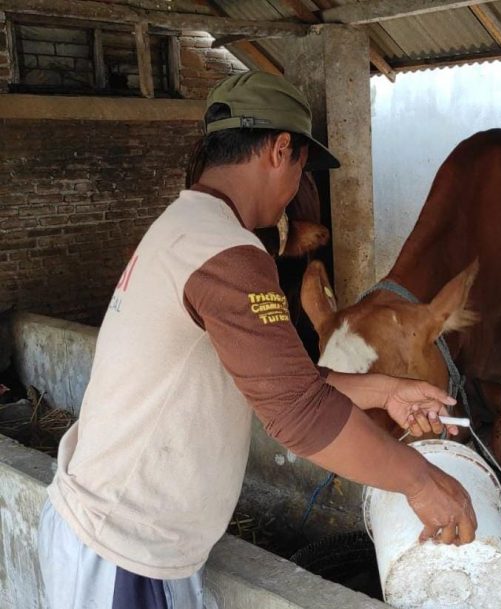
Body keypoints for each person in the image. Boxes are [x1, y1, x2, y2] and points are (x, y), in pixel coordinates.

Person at [38, 70, 477, 609]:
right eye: (301, 171)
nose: (297, 190)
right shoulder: (227, 251)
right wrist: (420, 481)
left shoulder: (185, 227)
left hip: (120, 535)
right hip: (123, 550)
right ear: (280, 149)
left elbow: (278, 377)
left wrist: (385, 391)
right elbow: (295, 410)